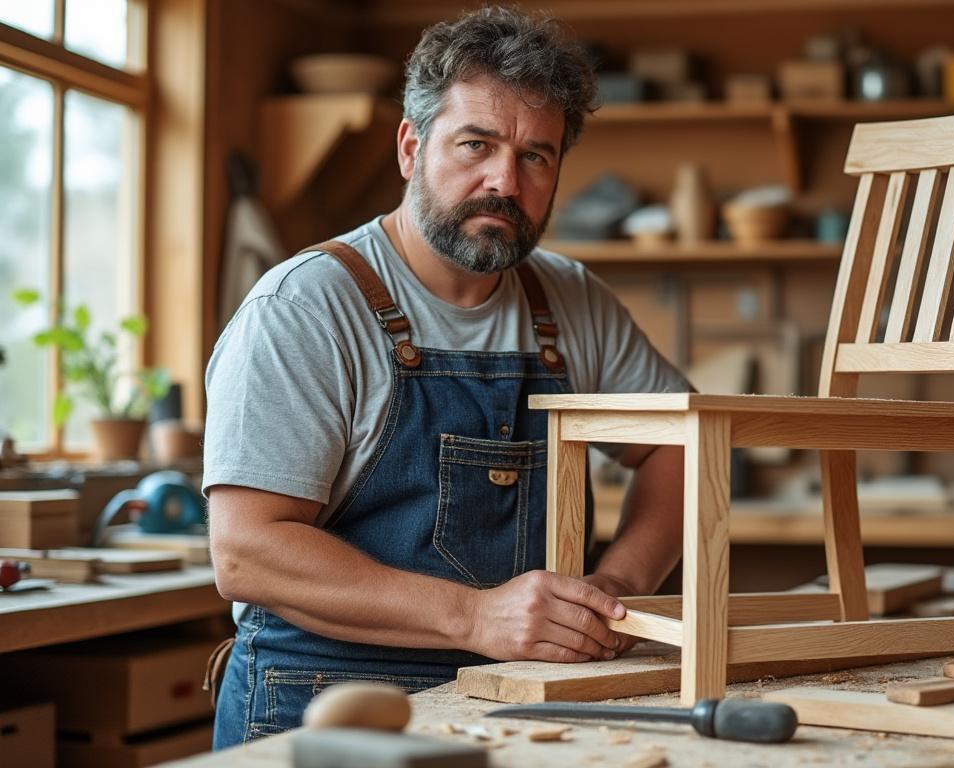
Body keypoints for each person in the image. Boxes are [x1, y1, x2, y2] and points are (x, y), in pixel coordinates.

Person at [203, 7, 688, 749]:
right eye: (476, 144)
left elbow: (678, 446)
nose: (503, 180)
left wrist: (618, 589)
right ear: (410, 147)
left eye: (536, 156)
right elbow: (247, 551)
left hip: (515, 700)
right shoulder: (305, 308)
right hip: (324, 704)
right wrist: (475, 616)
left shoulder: (571, 300)